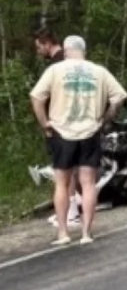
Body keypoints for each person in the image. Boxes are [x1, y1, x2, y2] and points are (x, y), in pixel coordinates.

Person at [30, 35, 127, 246]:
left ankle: (63, 233)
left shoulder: (55, 70)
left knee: (62, 183)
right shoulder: (99, 71)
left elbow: (36, 97)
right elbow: (119, 97)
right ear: (84, 50)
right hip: (90, 131)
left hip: (61, 132)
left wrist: (45, 123)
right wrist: (106, 118)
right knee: (88, 183)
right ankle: (86, 233)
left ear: (66, 50)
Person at [34, 26, 81, 229]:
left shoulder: (57, 65)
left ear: (47, 43)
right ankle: (71, 207)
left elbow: (42, 96)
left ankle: (71, 213)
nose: (38, 52)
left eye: (39, 47)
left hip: (61, 123)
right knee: (72, 167)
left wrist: (47, 123)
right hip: (74, 120)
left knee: (64, 168)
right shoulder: (70, 61)